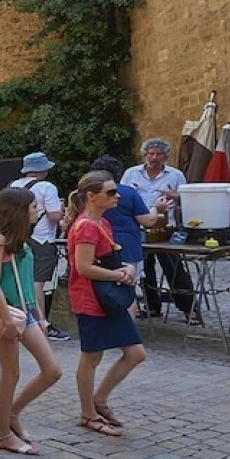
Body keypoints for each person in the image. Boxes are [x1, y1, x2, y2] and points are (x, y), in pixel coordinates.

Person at [0, 187, 62, 456]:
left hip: (25, 313)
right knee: (11, 373)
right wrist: (6, 319)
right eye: (32, 207)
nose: (36, 211)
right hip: (8, 313)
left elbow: (27, 283)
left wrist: (39, 316)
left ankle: (12, 414)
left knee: (52, 371)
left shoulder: (23, 242)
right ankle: (3, 433)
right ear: (18, 210)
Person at [67, 170, 146, 437]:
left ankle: (98, 401)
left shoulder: (102, 222)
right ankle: (88, 413)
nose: (117, 196)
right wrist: (119, 274)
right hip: (92, 298)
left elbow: (104, 260)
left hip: (108, 298)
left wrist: (126, 269)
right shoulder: (87, 225)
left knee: (135, 353)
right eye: (110, 192)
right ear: (92, 196)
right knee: (92, 357)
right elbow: (83, 267)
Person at [122, 138, 198, 323]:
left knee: (174, 269)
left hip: (166, 228)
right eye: (150, 154)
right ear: (145, 154)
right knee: (144, 270)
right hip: (138, 227)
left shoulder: (175, 175)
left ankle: (190, 309)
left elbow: (188, 198)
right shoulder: (131, 173)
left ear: (165, 156)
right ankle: (152, 306)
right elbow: (122, 196)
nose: (153, 158)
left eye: (158, 154)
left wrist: (175, 196)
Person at [8, 152, 69, 341]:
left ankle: (20, 316)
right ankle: (41, 322)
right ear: (43, 169)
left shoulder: (13, 185)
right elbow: (53, 216)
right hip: (42, 238)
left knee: (21, 278)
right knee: (38, 282)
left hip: (19, 237)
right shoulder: (47, 187)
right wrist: (62, 211)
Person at [92, 154, 158, 284]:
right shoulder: (128, 192)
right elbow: (148, 221)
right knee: (126, 290)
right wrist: (156, 207)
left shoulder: (89, 193)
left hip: (97, 247)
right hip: (127, 246)